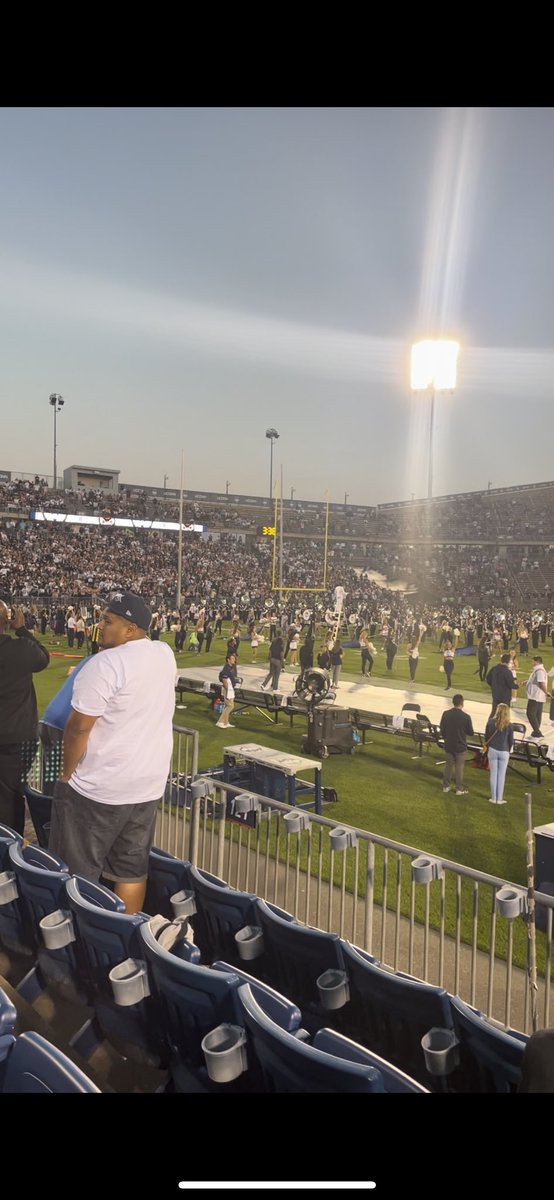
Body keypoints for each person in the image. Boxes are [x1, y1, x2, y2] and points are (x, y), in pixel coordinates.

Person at [48, 591, 176, 914]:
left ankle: (83, 945)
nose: (100, 625)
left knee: (78, 873)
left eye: (108, 621)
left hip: (99, 788)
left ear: (130, 629)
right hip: (146, 786)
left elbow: (78, 729)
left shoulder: (104, 663)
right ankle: (125, 942)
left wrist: (66, 774)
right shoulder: (164, 653)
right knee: (130, 871)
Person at [0, 601, 50, 832]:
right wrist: (21, 629)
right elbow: (43, 657)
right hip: (17, 739)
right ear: (7, 620)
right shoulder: (20, 648)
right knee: (11, 801)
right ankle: (9, 858)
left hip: (15, 739)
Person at [39, 656, 92, 795]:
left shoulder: (91, 660)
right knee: (65, 782)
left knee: (51, 781)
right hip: (65, 726)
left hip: (50, 720)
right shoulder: (106, 663)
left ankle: (46, 812)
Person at [439, 693, 474, 796]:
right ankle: (459, 789)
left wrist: (446, 738)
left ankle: (446, 786)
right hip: (460, 745)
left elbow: (442, 729)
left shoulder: (446, 714)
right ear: (462, 703)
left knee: (448, 766)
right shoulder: (466, 717)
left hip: (449, 744)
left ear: (453, 702)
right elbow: (471, 732)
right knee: (459, 768)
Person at [484, 703, 515, 806]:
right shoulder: (510, 725)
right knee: (501, 775)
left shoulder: (490, 722)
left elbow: (486, 736)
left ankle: (493, 798)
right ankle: (499, 799)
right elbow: (511, 741)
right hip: (504, 751)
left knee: (493, 774)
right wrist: (508, 749)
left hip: (492, 750)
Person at [525, 655, 548, 738]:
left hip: (535, 696)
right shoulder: (539, 670)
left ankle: (537, 732)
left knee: (530, 713)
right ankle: (536, 731)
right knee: (537, 715)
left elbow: (541, 683)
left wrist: (546, 692)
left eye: (532, 661)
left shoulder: (539, 671)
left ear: (536, 661)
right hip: (538, 696)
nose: (532, 662)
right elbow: (537, 681)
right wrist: (527, 682)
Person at [217, 651, 238, 729]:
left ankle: (226, 722)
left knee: (228, 706)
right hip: (228, 690)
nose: (234, 660)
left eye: (234, 658)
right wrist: (228, 691)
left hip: (230, 689)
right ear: (228, 660)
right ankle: (220, 722)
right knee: (230, 706)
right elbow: (224, 680)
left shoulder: (230, 667)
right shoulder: (226, 668)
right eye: (232, 658)